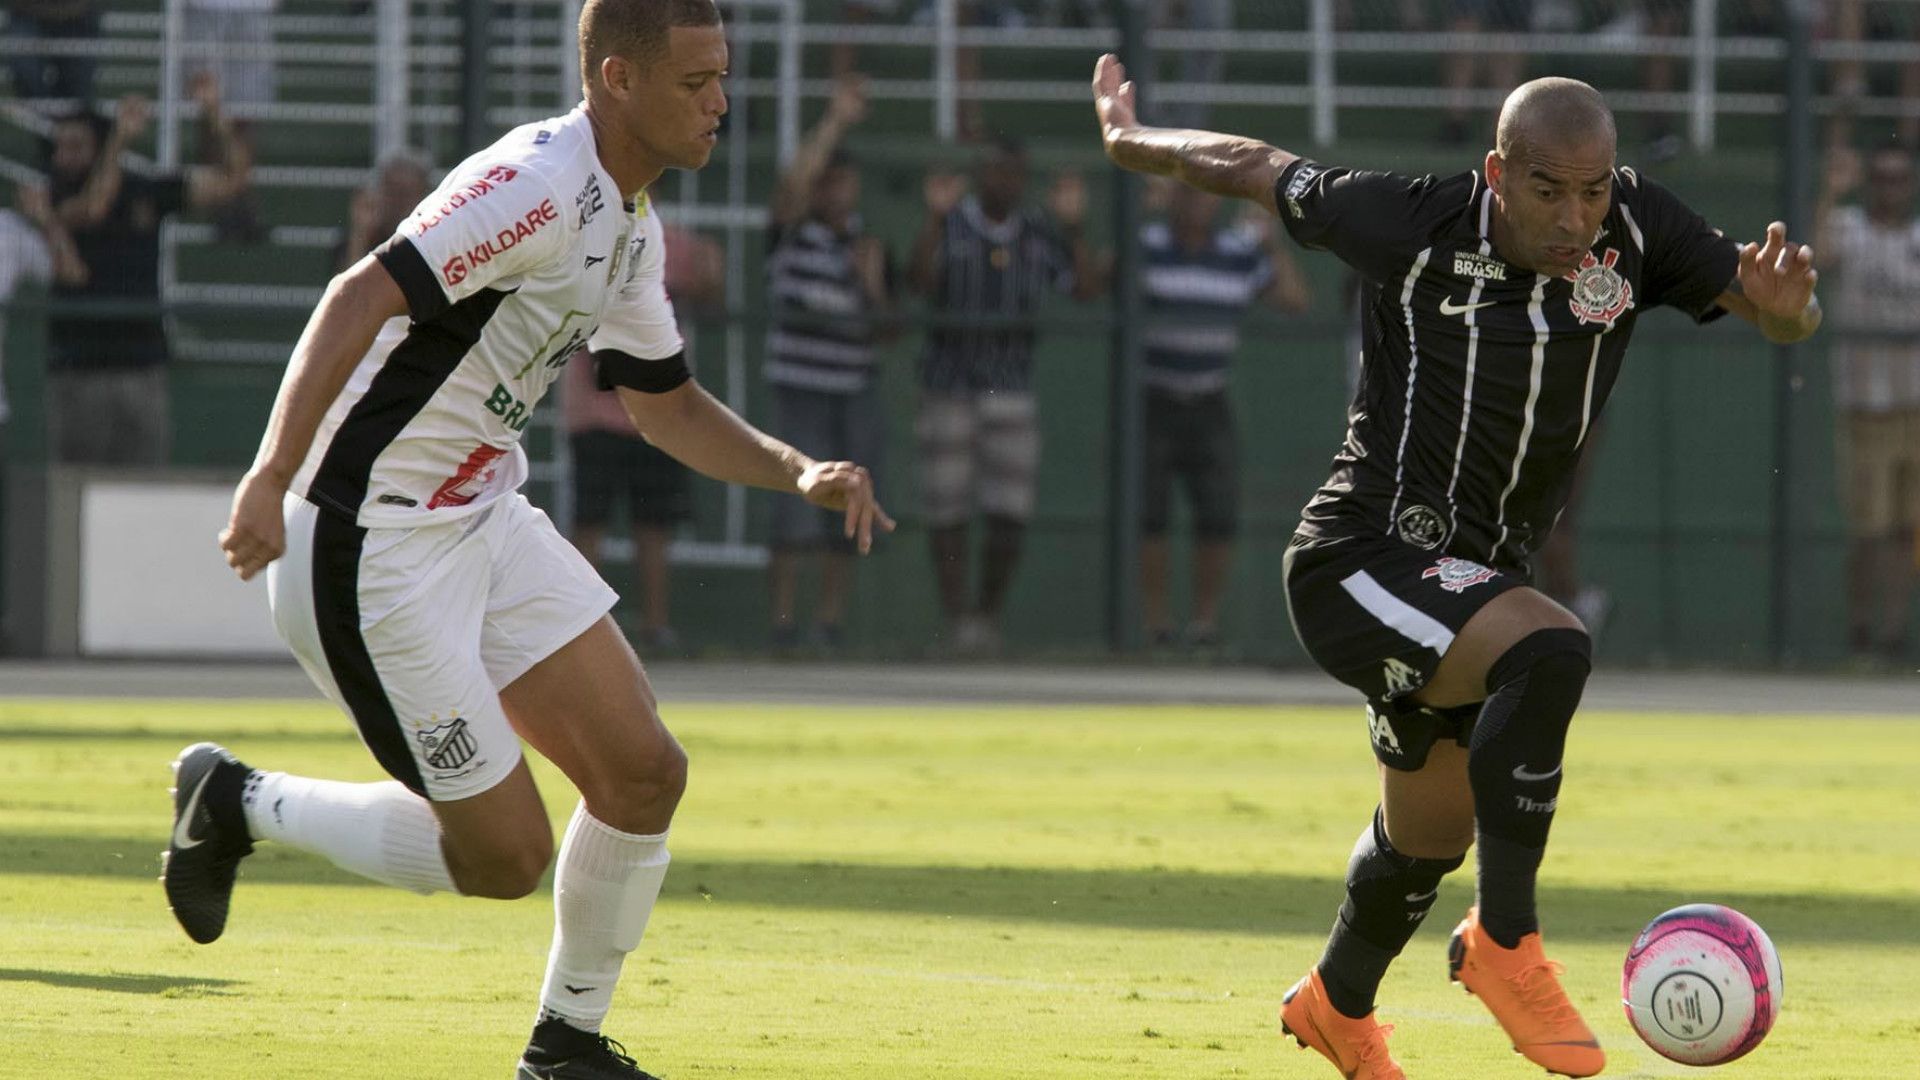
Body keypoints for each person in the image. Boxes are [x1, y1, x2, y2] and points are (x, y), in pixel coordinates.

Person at [176, 7, 892, 1080]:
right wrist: (270, 476)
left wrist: (796, 468)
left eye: (724, 77)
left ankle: (567, 1046)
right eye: (698, 80)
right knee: (507, 858)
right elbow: (358, 292)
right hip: (366, 545)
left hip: (480, 516)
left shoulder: (630, 219)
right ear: (616, 78)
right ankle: (237, 801)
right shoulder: (536, 187)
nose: (722, 103)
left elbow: (664, 402)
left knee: (644, 773)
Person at [1092, 55, 1821, 1079]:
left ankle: (1337, 1007)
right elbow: (1253, 164)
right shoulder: (1411, 221)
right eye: (1548, 189)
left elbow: (1771, 308)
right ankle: (1505, 944)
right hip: (1362, 556)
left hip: (1471, 585)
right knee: (1553, 646)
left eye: (1594, 189)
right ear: (1496, 171)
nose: (1576, 217)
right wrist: (1132, 143)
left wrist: (1790, 308)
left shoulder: (1639, 230)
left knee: (1428, 835)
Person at [910, 137, 1098, 655]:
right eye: (995, 172)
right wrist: (932, 218)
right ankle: (956, 623)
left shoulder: (1037, 231)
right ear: (978, 175)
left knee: (1009, 513)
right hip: (949, 386)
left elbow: (1083, 288)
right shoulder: (951, 223)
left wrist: (1075, 226)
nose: (1004, 183)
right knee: (947, 512)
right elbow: (919, 281)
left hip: (1011, 387)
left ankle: (987, 618)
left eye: (1013, 173)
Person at [1138, 184, 1309, 648]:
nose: (1198, 203)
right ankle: (1155, 624)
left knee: (1217, 514)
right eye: (1189, 195)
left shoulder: (1238, 253)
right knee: (1148, 514)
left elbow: (1294, 300)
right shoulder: (1148, 246)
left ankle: (1203, 623)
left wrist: (1270, 245)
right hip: (1155, 398)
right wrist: (1138, 215)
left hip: (1210, 400)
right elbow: (1099, 279)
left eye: (1206, 195)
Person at [44, 84, 251, 466]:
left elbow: (233, 179)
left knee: (143, 491)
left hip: (142, 368)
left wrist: (213, 116)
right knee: (75, 497)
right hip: (80, 369)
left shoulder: (145, 191)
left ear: (97, 147)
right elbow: (93, 208)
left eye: (75, 146)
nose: (63, 157)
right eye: (61, 147)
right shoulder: (54, 193)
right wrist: (119, 140)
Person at [763, 74, 896, 651]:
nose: (837, 194)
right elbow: (791, 186)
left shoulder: (868, 245)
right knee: (794, 509)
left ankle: (830, 624)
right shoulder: (790, 236)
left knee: (849, 509)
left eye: (846, 185)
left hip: (853, 391)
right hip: (800, 389)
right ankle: (784, 625)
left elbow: (890, 329)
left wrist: (872, 285)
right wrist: (836, 120)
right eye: (829, 184)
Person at [561, 215, 725, 654]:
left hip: (656, 414)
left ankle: (656, 629)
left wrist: (711, 270)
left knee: (654, 526)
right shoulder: (584, 230)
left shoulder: (672, 239)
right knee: (589, 522)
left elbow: (710, 297)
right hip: (594, 411)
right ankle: (575, 630)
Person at [1814, 141, 1920, 663]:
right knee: (1868, 530)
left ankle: (1894, 634)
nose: (1891, 188)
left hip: (1916, 407)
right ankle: (1860, 630)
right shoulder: (1849, 227)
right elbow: (1816, 257)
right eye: (1881, 177)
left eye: (1900, 178)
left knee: (1906, 530)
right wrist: (1832, 191)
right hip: (1865, 407)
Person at [335, 148, 433, 273]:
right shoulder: (361, 236)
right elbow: (347, 286)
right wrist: (360, 233)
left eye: (405, 193)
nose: (397, 202)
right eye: (391, 191)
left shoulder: (432, 240)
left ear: (423, 196)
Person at [4, 0, 99, 101]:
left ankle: (62, 111)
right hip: (28, 15)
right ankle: (43, 110)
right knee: (27, 68)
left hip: (77, 16)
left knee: (77, 82)